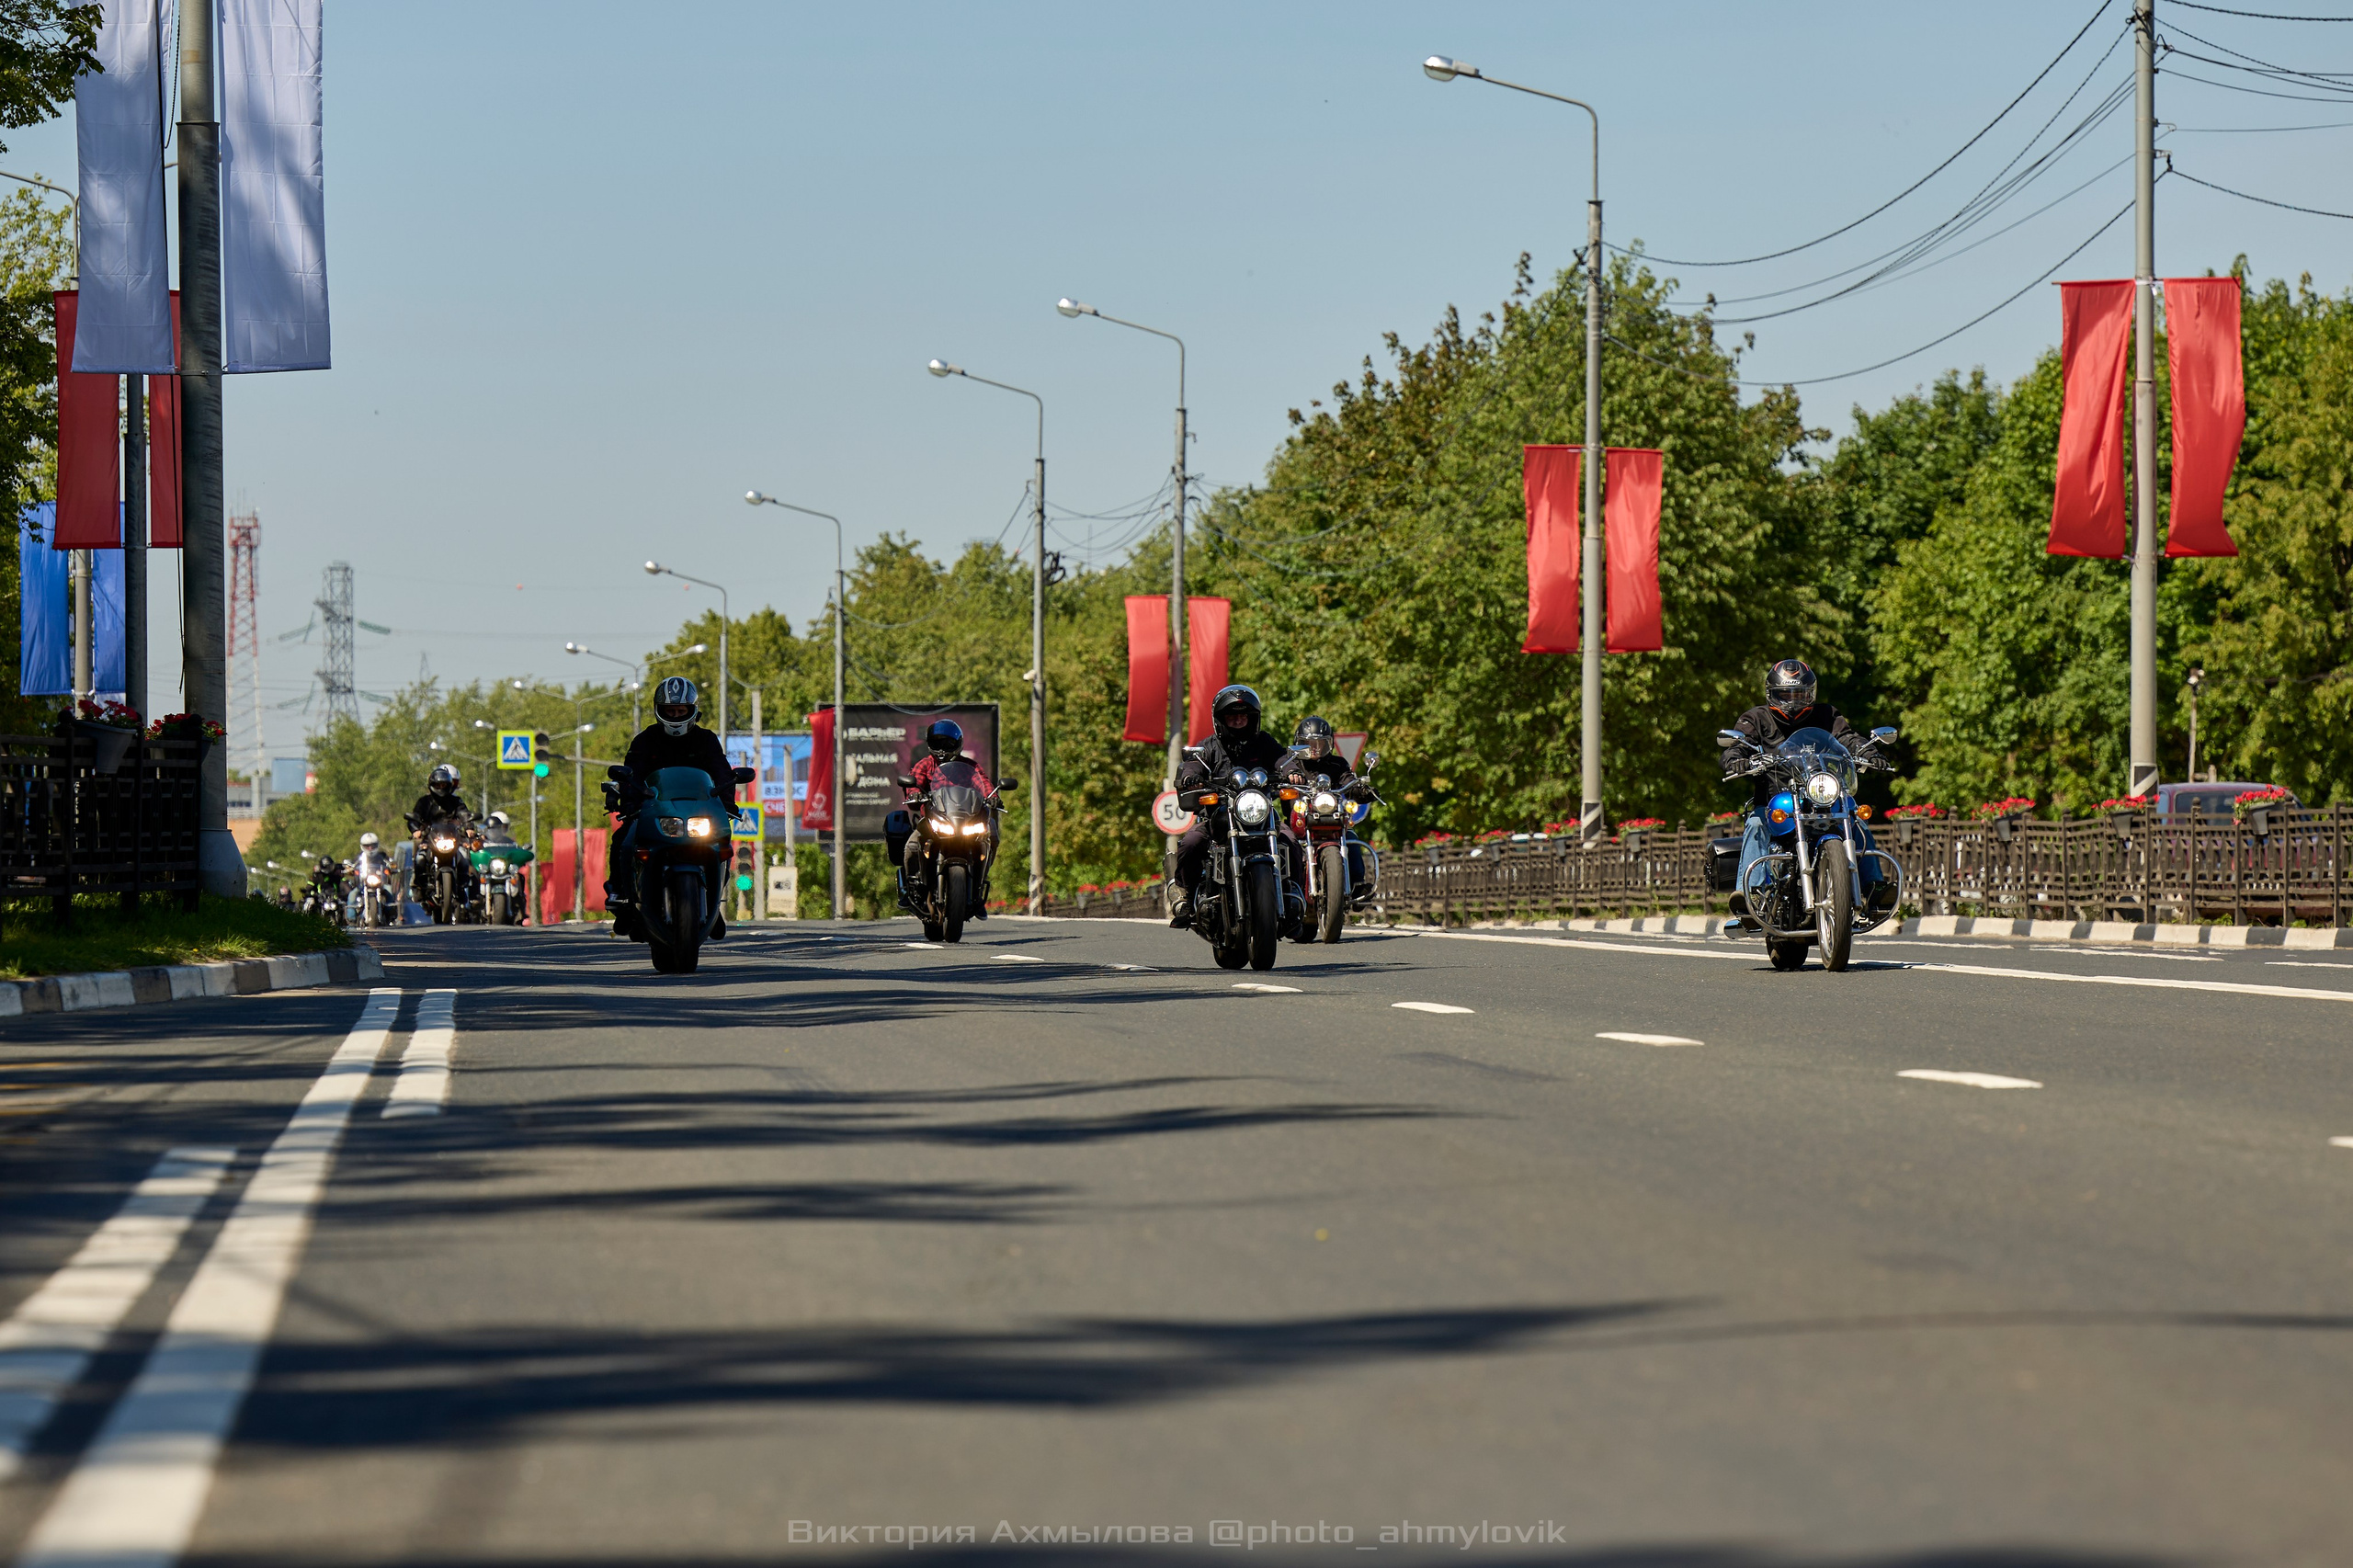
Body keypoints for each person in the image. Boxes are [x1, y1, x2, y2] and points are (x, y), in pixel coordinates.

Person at [1720, 658, 1893, 922]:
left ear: (1811, 693)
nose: (1793, 701)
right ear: (1771, 693)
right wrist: (1737, 760)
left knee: (1854, 817)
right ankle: (1750, 895)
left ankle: (1874, 889)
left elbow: (1846, 737)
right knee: (1756, 825)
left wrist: (1868, 750)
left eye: (1799, 694)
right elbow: (1737, 746)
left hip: (1821, 794)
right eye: (1785, 694)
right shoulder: (1755, 718)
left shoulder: (1827, 714)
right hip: (1776, 799)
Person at [1167, 684, 1308, 928]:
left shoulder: (1263, 742)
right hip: (1218, 817)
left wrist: (1292, 770)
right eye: (1232, 716)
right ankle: (1188, 899)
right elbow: (1194, 764)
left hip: (1261, 816)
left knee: (1291, 842)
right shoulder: (1209, 747)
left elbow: (1281, 759)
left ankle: (1293, 898)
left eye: (1243, 716)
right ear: (1221, 720)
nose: (1238, 720)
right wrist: (1192, 776)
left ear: (1252, 718)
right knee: (1191, 843)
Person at [606, 676, 736, 931]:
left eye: (681, 710)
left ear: (693, 711)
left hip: (699, 813)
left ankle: (712, 902)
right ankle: (621, 896)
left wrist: (727, 803)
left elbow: (722, 773)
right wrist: (629, 803)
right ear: (658, 710)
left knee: (722, 844)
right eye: (670, 711)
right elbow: (631, 774)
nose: (676, 715)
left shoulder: (706, 740)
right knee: (623, 839)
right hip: (656, 812)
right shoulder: (645, 740)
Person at [896, 719, 1001, 914]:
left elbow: (984, 783)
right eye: (938, 743)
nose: (943, 749)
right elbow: (913, 782)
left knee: (991, 836)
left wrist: (993, 797)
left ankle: (977, 891)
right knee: (911, 847)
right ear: (929, 744)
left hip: (966, 819)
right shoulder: (925, 765)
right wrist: (913, 794)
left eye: (948, 743)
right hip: (934, 820)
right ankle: (911, 891)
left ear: (958, 744)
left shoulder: (970, 767)